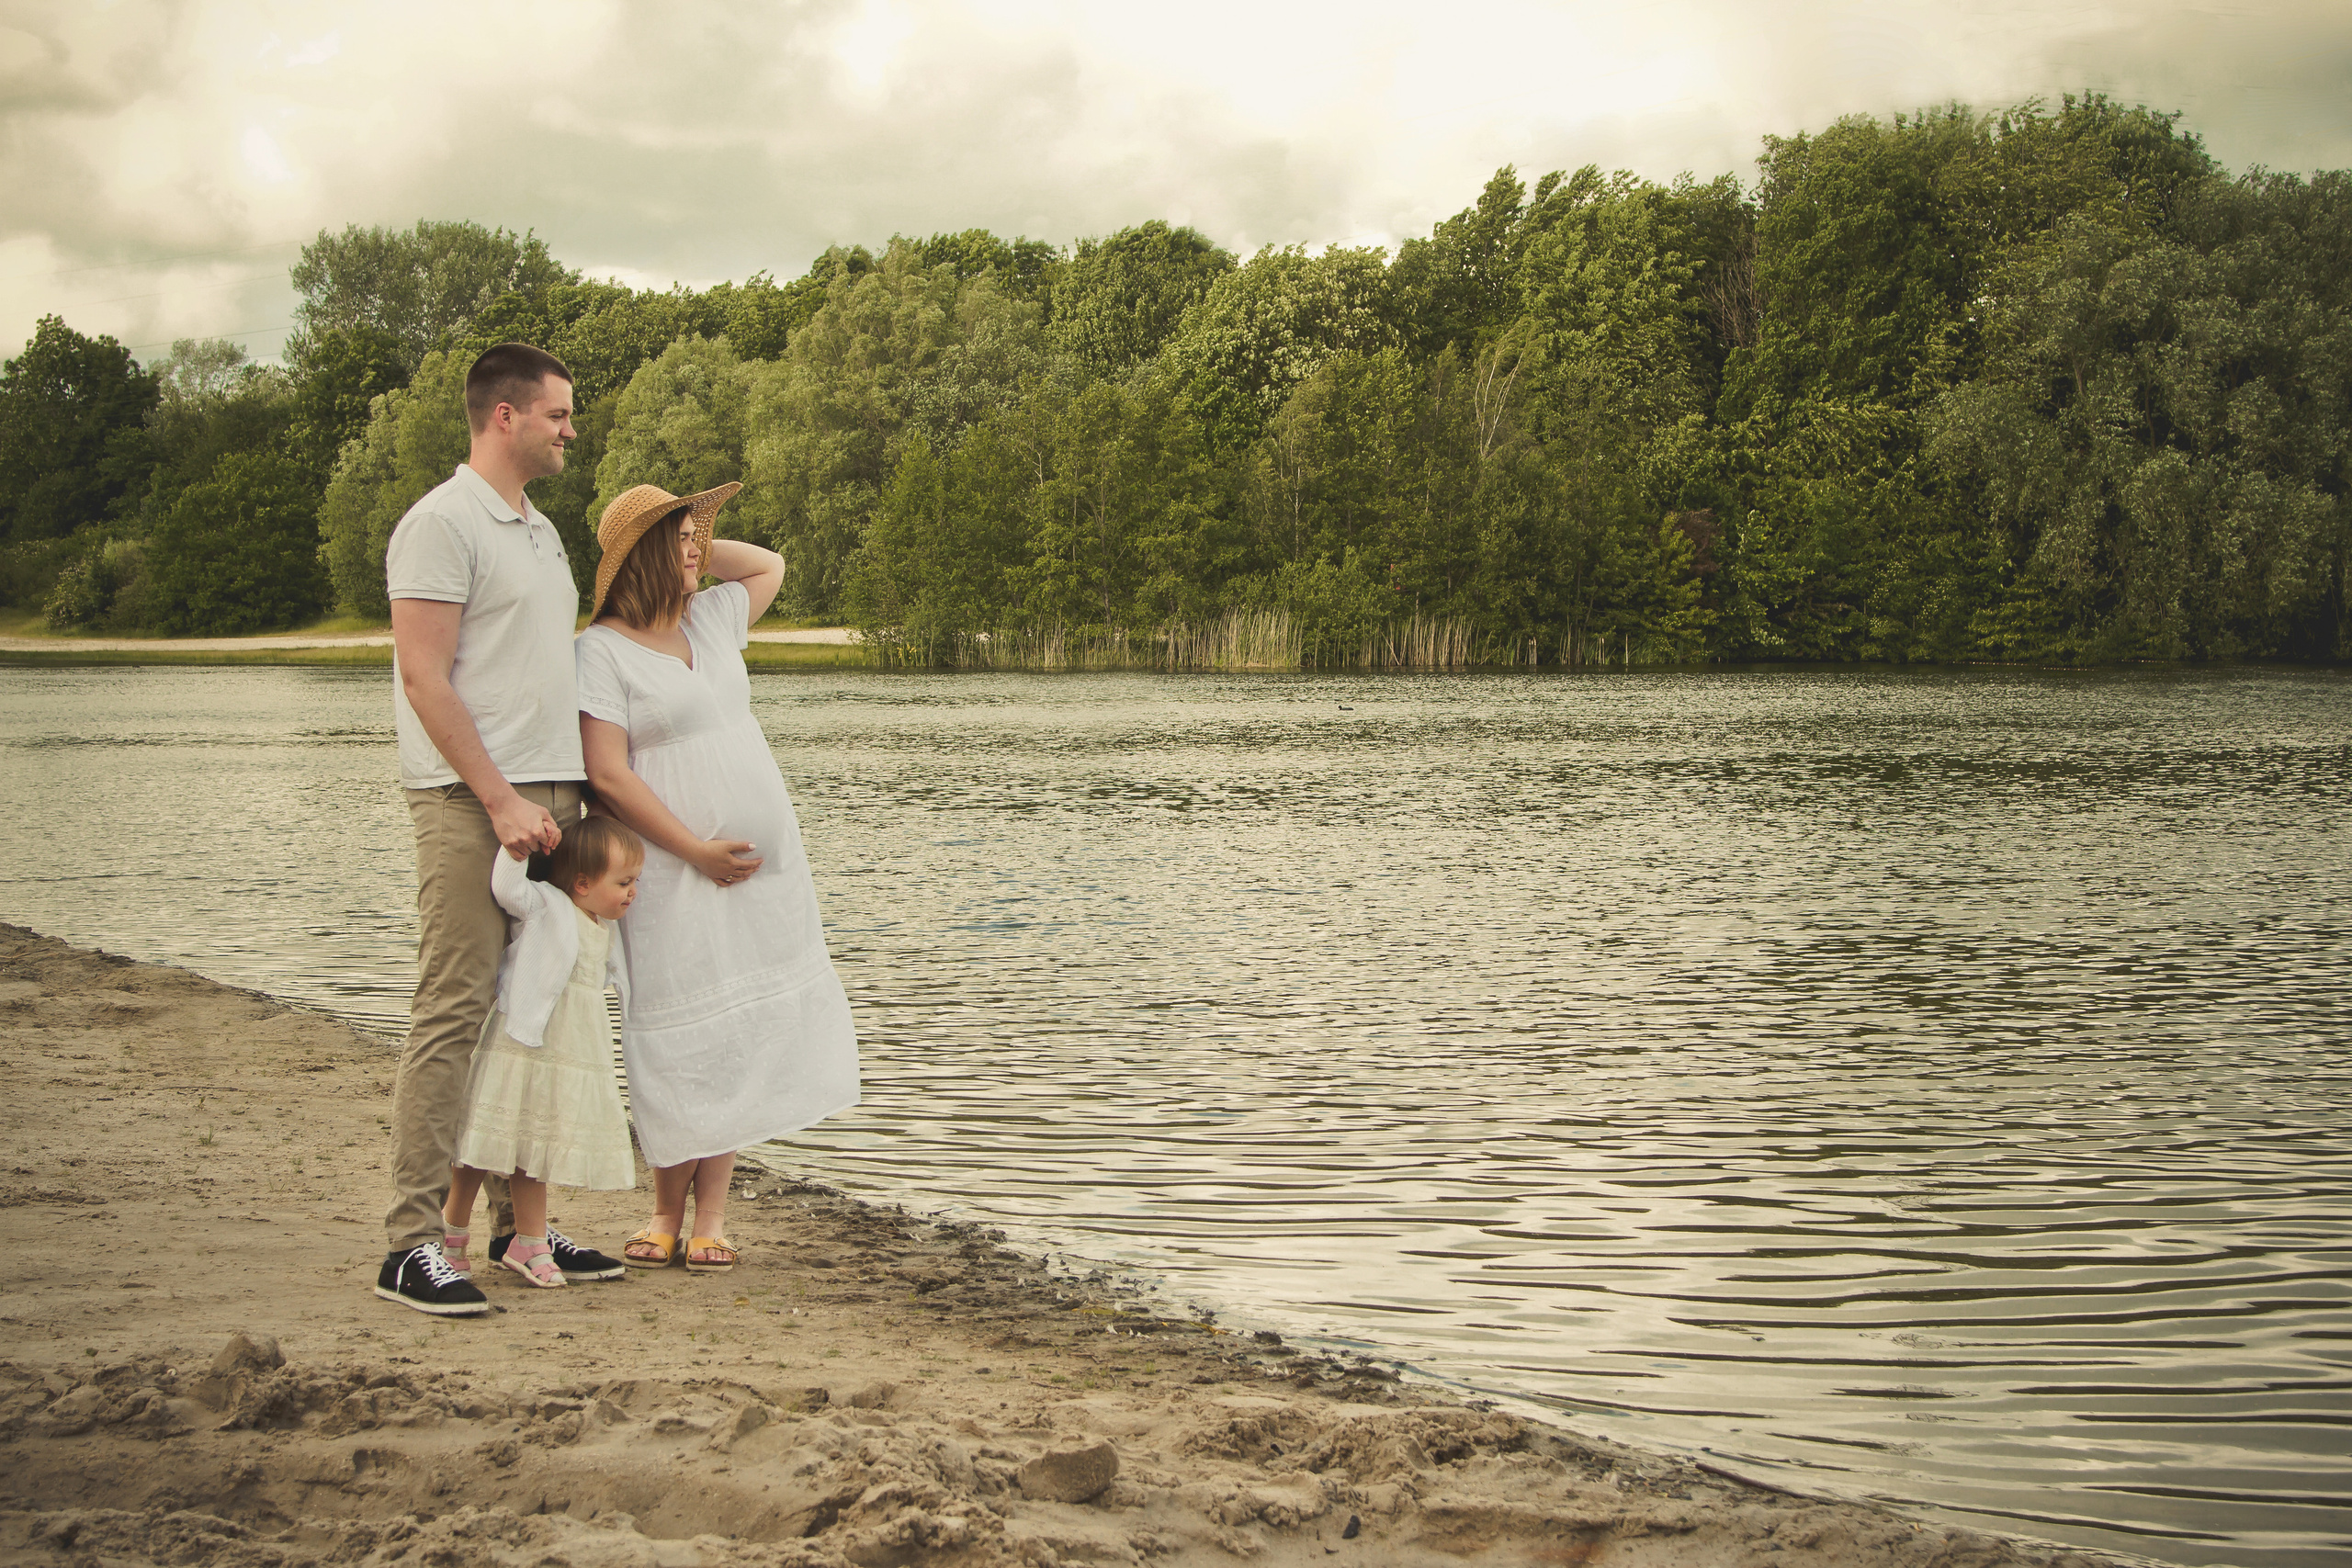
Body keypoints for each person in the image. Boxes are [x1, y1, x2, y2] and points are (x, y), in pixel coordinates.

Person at [377, 342, 625, 1316]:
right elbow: (424, 677)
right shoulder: (440, 525)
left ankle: (523, 1226)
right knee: (457, 1009)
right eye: (560, 415)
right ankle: (409, 1242)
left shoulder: (541, 530)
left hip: (554, 794)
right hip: (471, 800)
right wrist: (499, 800)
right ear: (505, 417)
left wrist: (575, 795)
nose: (572, 429)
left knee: (547, 1010)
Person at [574, 482, 860, 1273]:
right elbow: (608, 774)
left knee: (731, 1031)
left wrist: (692, 539)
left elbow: (768, 564)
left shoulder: (711, 617)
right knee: (674, 1026)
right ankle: (663, 1209)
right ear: (637, 560)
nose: (698, 548)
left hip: (761, 875)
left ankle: (713, 1215)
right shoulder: (601, 650)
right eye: (678, 540)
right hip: (668, 868)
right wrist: (694, 849)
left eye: (698, 537)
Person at [440, 816, 643, 1290]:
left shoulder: (603, 924)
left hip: (569, 1050)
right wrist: (516, 850)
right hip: (523, 1044)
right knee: (482, 1142)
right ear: (582, 883)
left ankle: (528, 1240)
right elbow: (508, 888)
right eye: (625, 882)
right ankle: (452, 1230)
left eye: (635, 881)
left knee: (534, 1145)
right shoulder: (548, 906)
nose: (633, 892)